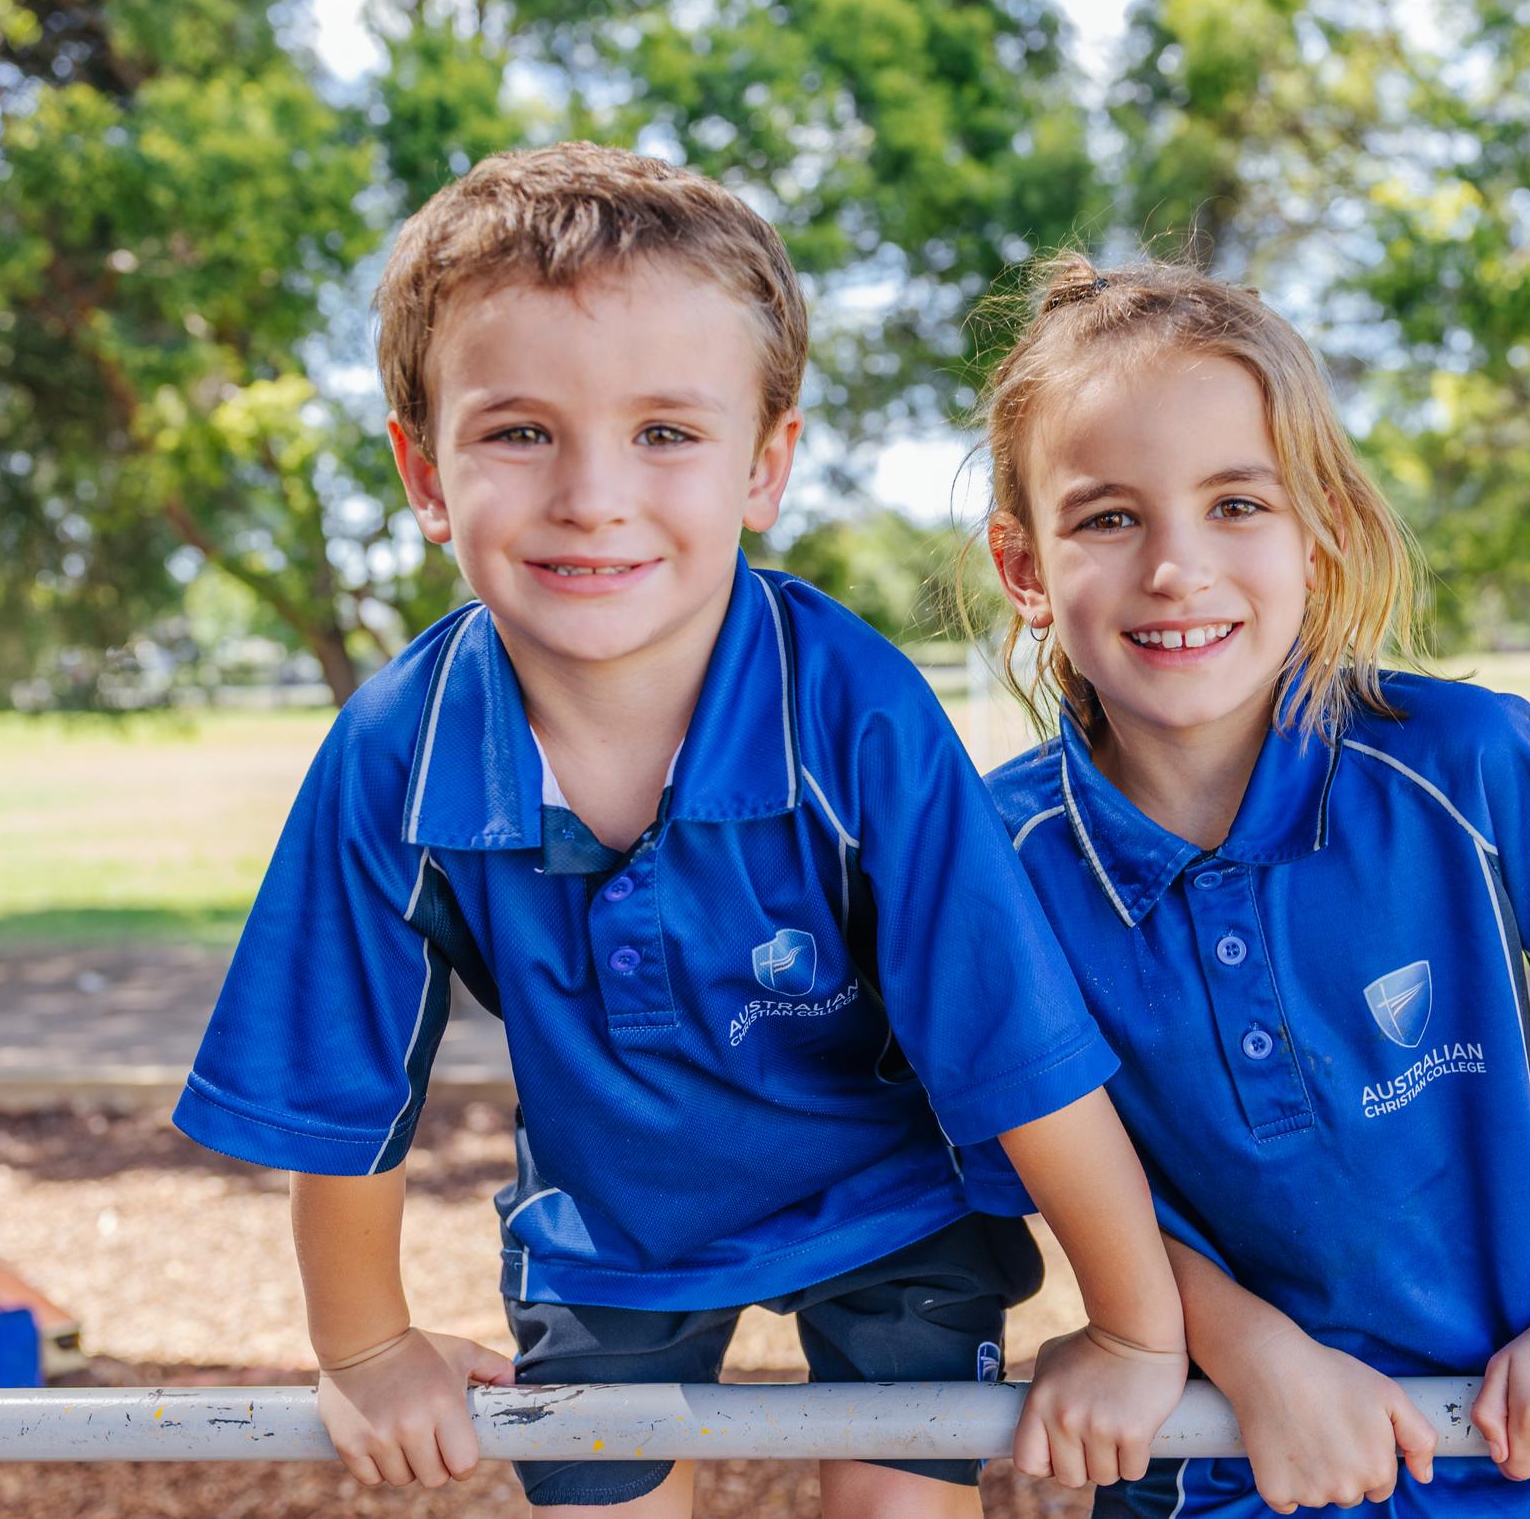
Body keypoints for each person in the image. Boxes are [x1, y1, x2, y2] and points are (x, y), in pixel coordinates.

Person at [174, 149, 1188, 1517]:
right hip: (612, 1219)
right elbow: (340, 1089)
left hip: (892, 1196)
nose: (593, 492)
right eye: (520, 431)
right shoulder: (396, 752)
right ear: (424, 470)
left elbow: (1018, 1047)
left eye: (665, 431)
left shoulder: (850, 710)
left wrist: (1134, 1325)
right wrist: (363, 1345)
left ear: (765, 464)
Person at [970, 254, 1530, 1517]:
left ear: (1320, 529)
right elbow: (1039, 1163)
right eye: (1106, 516)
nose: (1175, 568)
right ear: (1025, 568)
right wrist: (1253, 1356)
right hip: (1211, 1471)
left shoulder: (1461, 760)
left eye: (1236, 504)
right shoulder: (994, 862)